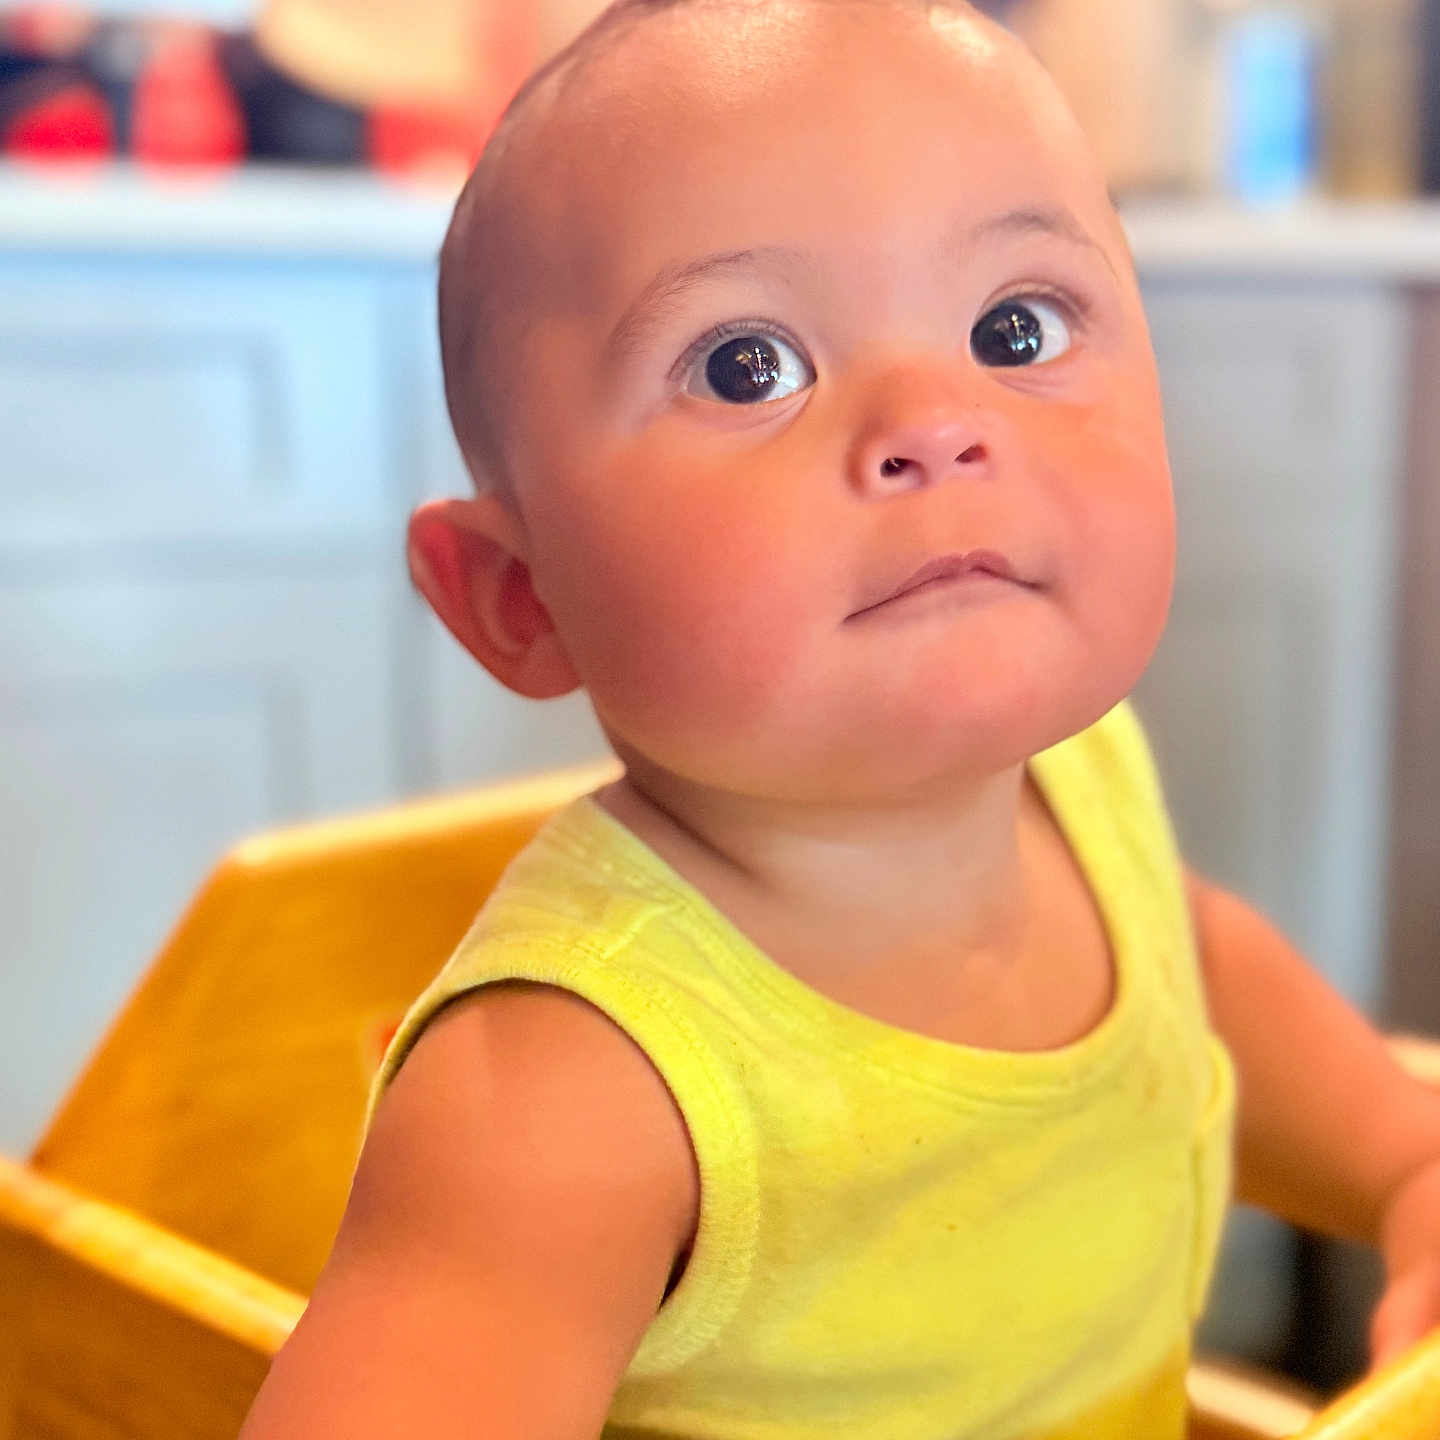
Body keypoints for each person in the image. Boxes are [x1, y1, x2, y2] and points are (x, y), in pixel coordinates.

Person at [239, 2, 1440, 1435]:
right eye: (748, 365)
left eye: (1016, 326)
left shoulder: (1072, 779)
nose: (937, 419)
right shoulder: (566, 1094)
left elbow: (1199, 977)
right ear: (519, 598)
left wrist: (1408, 1162)